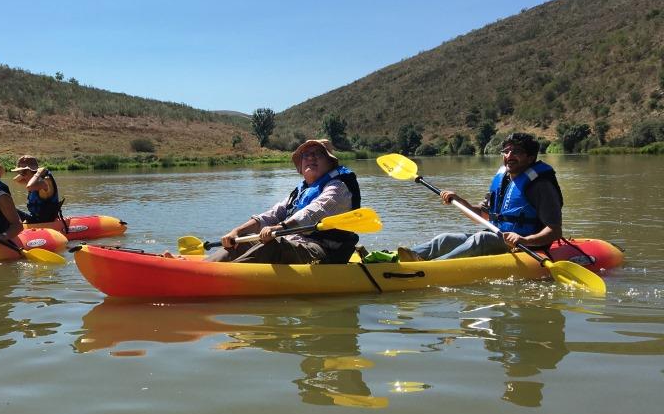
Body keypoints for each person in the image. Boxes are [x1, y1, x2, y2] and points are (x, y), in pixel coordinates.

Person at [397, 132, 563, 262]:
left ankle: (430, 267)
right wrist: (460, 200)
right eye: (506, 151)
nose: (509, 155)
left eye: (517, 151)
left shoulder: (541, 186)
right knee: (445, 239)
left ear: (531, 157)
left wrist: (525, 240)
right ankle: (400, 259)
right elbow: (483, 215)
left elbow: (554, 231)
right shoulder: (503, 180)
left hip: (525, 245)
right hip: (499, 237)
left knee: (481, 238)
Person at [204, 138, 361, 264]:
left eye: (318, 153)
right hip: (292, 242)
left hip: (322, 250)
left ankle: (222, 276)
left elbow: (312, 213)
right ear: (301, 165)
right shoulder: (301, 191)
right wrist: (237, 231)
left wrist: (279, 228)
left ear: (330, 163)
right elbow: (273, 214)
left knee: (273, 245)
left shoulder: (339, 187)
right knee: (242, 242)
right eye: (306, 155)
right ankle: (205, 268)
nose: (311, 157)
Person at [10, 155, 64, 224]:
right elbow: (15, 180)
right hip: (35, 219)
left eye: (24, 173)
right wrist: (24, 173)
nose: (23, 176)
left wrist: (37, 173)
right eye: (21, 173)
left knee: (9, 210)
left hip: (44, 222)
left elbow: (29, 187)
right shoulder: (33, 179)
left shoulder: (44, 181)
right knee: (8, 209)